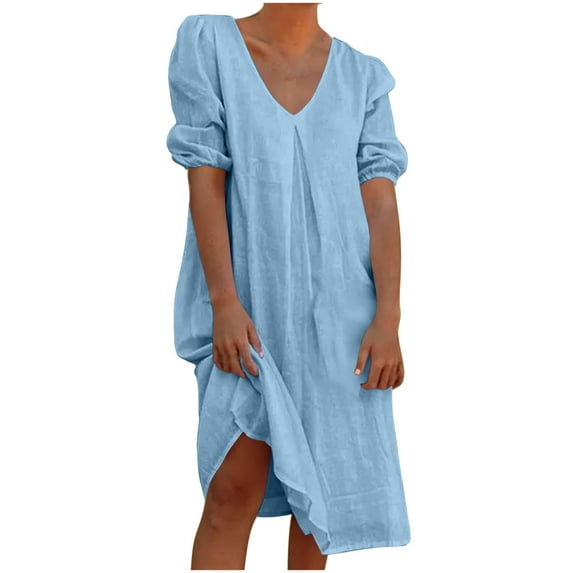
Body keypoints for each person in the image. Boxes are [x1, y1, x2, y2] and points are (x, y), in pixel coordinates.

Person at [166, 3, 411, 570]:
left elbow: (380, 205)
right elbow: (205, 178)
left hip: (342, 321)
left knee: (317, 514)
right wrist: (224, 301)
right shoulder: (211, 44)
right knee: (231, 493)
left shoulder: (363, 77)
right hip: (247, 307)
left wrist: (389, 317)